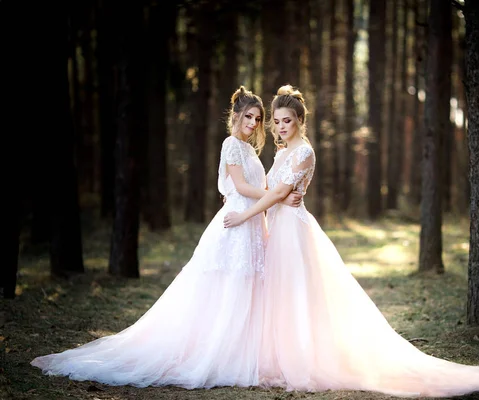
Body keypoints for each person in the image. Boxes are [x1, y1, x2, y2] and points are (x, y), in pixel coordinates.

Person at [223, 84, 479, 398]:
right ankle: (276, 357)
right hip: (277, 226)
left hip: (292, 229)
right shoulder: (281, 152)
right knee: (279, 292)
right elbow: (275, 190)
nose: (280, 127)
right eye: (276, 121)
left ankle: (303, 359)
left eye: (287, 121)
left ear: (299, 121)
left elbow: (279, 193)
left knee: (297, 292)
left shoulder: (304, 152)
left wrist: (245, 215)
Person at [31, 86, 301, 389]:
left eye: (258, 118)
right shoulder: (231, 144)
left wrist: (267, 211)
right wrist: (275, 197)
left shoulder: (250, 150)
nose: (253, 123)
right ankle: (213, 352)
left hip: (251, 223)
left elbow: (252, 186)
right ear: (236, 116)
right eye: (248, 116)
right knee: (226, 286)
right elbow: (238, 186)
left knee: (247, 287)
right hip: (234, 225)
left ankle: (241, 353)